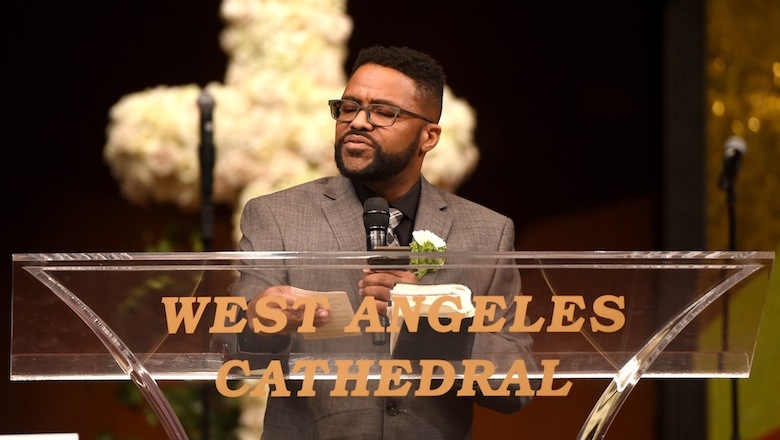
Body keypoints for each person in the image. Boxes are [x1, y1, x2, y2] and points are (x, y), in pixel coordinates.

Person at [230, 45, 534, 439]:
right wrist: (263, 322)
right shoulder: (277, 215)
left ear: (428, 136)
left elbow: (518, 384)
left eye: (383, 112)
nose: (358, 122)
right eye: (348, 108)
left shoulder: (487, 232)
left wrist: (433, 322)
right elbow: (233, 351)